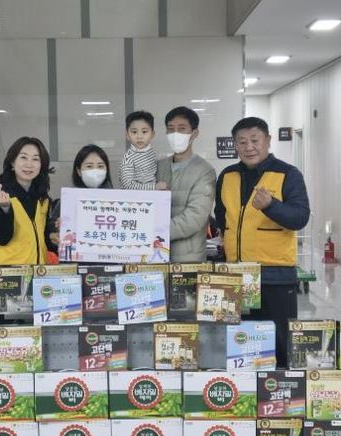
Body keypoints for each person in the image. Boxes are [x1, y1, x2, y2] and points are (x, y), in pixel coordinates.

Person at [214, 116, 310, 368]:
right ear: (235, 145)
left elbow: (300, 217)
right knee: (242, 342)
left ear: (268, 140)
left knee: (279, 342)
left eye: (255, 140)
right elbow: (222, 216)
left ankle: (280, 386)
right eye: (242, 142)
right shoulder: (227, 175)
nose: (249, 147)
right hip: (236, 274)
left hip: (274, 275)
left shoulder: (288, 174)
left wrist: (271, 205)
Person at [0, 136, 55, 371]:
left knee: (31, 339)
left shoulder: (42, 198)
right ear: (12, 162)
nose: (29, 164)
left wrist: (56, 235)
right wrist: (4, 209)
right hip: (6, 280)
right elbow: (0, 237)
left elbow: (43, 239)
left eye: (35, 159)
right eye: (23, 157)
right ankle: (0, 384)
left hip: (37, 278)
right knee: (4, 341)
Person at [156, 106, 216, 262]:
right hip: (155, 255)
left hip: (188, 258)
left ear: (194, 133)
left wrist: (154, 231)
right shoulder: (158, 166)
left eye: (182, 129)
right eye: (171, 129)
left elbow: (194, 218)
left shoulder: (204, 171)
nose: (175, 134)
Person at [48, 144, 114, 259]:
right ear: (78, 171)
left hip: (111, 261)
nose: (95, 171)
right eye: (89, 166)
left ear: (106, 170)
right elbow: (51, 230)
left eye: (100, 166)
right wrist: (57, 229)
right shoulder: (67, 201)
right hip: (76, 262)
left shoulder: (117, 200)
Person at [119, 110, 167, 191]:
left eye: (144, 132)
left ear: (152, 134)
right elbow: (127, 185)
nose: (139, 136)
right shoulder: (128, 159)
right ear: (127, 135)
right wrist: (154, 187)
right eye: (134, 132)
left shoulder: (153, 153)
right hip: (135, 197)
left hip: (153, 196)